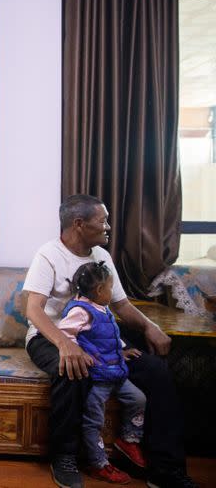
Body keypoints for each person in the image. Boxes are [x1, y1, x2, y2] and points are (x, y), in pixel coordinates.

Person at [24, 194, 196, 488]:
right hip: (51, 335)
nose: (108, 227)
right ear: (79, 224)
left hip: (101, 337)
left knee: (156, 371)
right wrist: (66, 345)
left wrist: (150, 327)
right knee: (73, 367)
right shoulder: (49, 254)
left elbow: (121, 306)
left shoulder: (101, 256)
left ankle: (165, 470)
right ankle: (64, 456)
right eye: (102, 221)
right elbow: (33, 309)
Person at [57, 261, 146, 484]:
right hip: (98, 377)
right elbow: (64, 333)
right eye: (111, 287)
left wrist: (122, 350)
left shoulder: (101, 307)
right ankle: (98, 463)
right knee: (93, 420)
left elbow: (109, 335)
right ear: (99, 290)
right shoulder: (81, 310)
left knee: (138, 398)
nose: (112, 291)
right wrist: (77, 351)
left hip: (115, 370)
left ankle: (128, 439)